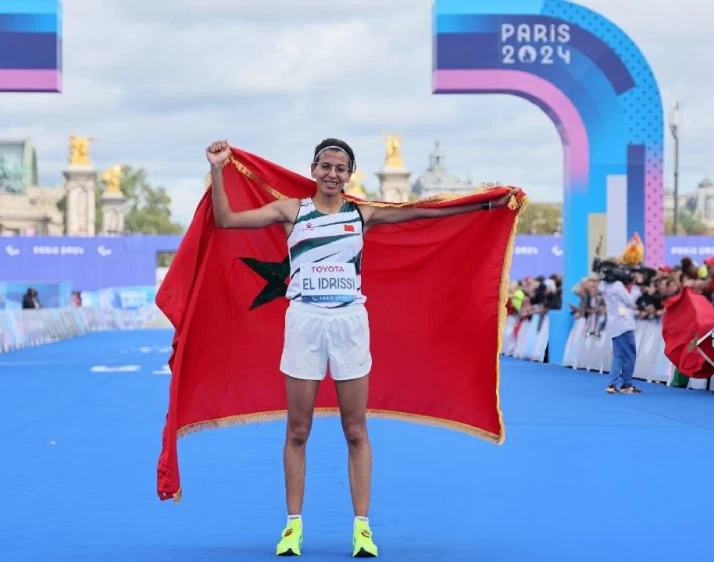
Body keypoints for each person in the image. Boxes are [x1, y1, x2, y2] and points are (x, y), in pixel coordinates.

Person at [204, 138, 518, 557]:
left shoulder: (362, 213)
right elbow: (224, 220)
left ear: (349, 174)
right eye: (326, 166)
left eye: (341, 168)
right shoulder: (291, 211)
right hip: (304, 323)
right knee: (298, 430)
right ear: (314, 169)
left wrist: (486, 205)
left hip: (350, 324)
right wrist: (218, 168)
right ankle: (293, 527)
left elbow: (424, 210)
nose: (333, 174)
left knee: (355, 429)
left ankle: (362, 528)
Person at [599, 271, 643, 394]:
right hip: (624, 325)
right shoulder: (617, 285)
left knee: (618, 355)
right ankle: (626, 384)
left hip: (614, 325)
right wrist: (636, 287)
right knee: (629, 355)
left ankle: (612, 383)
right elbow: (629, 301)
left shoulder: (604, 285)